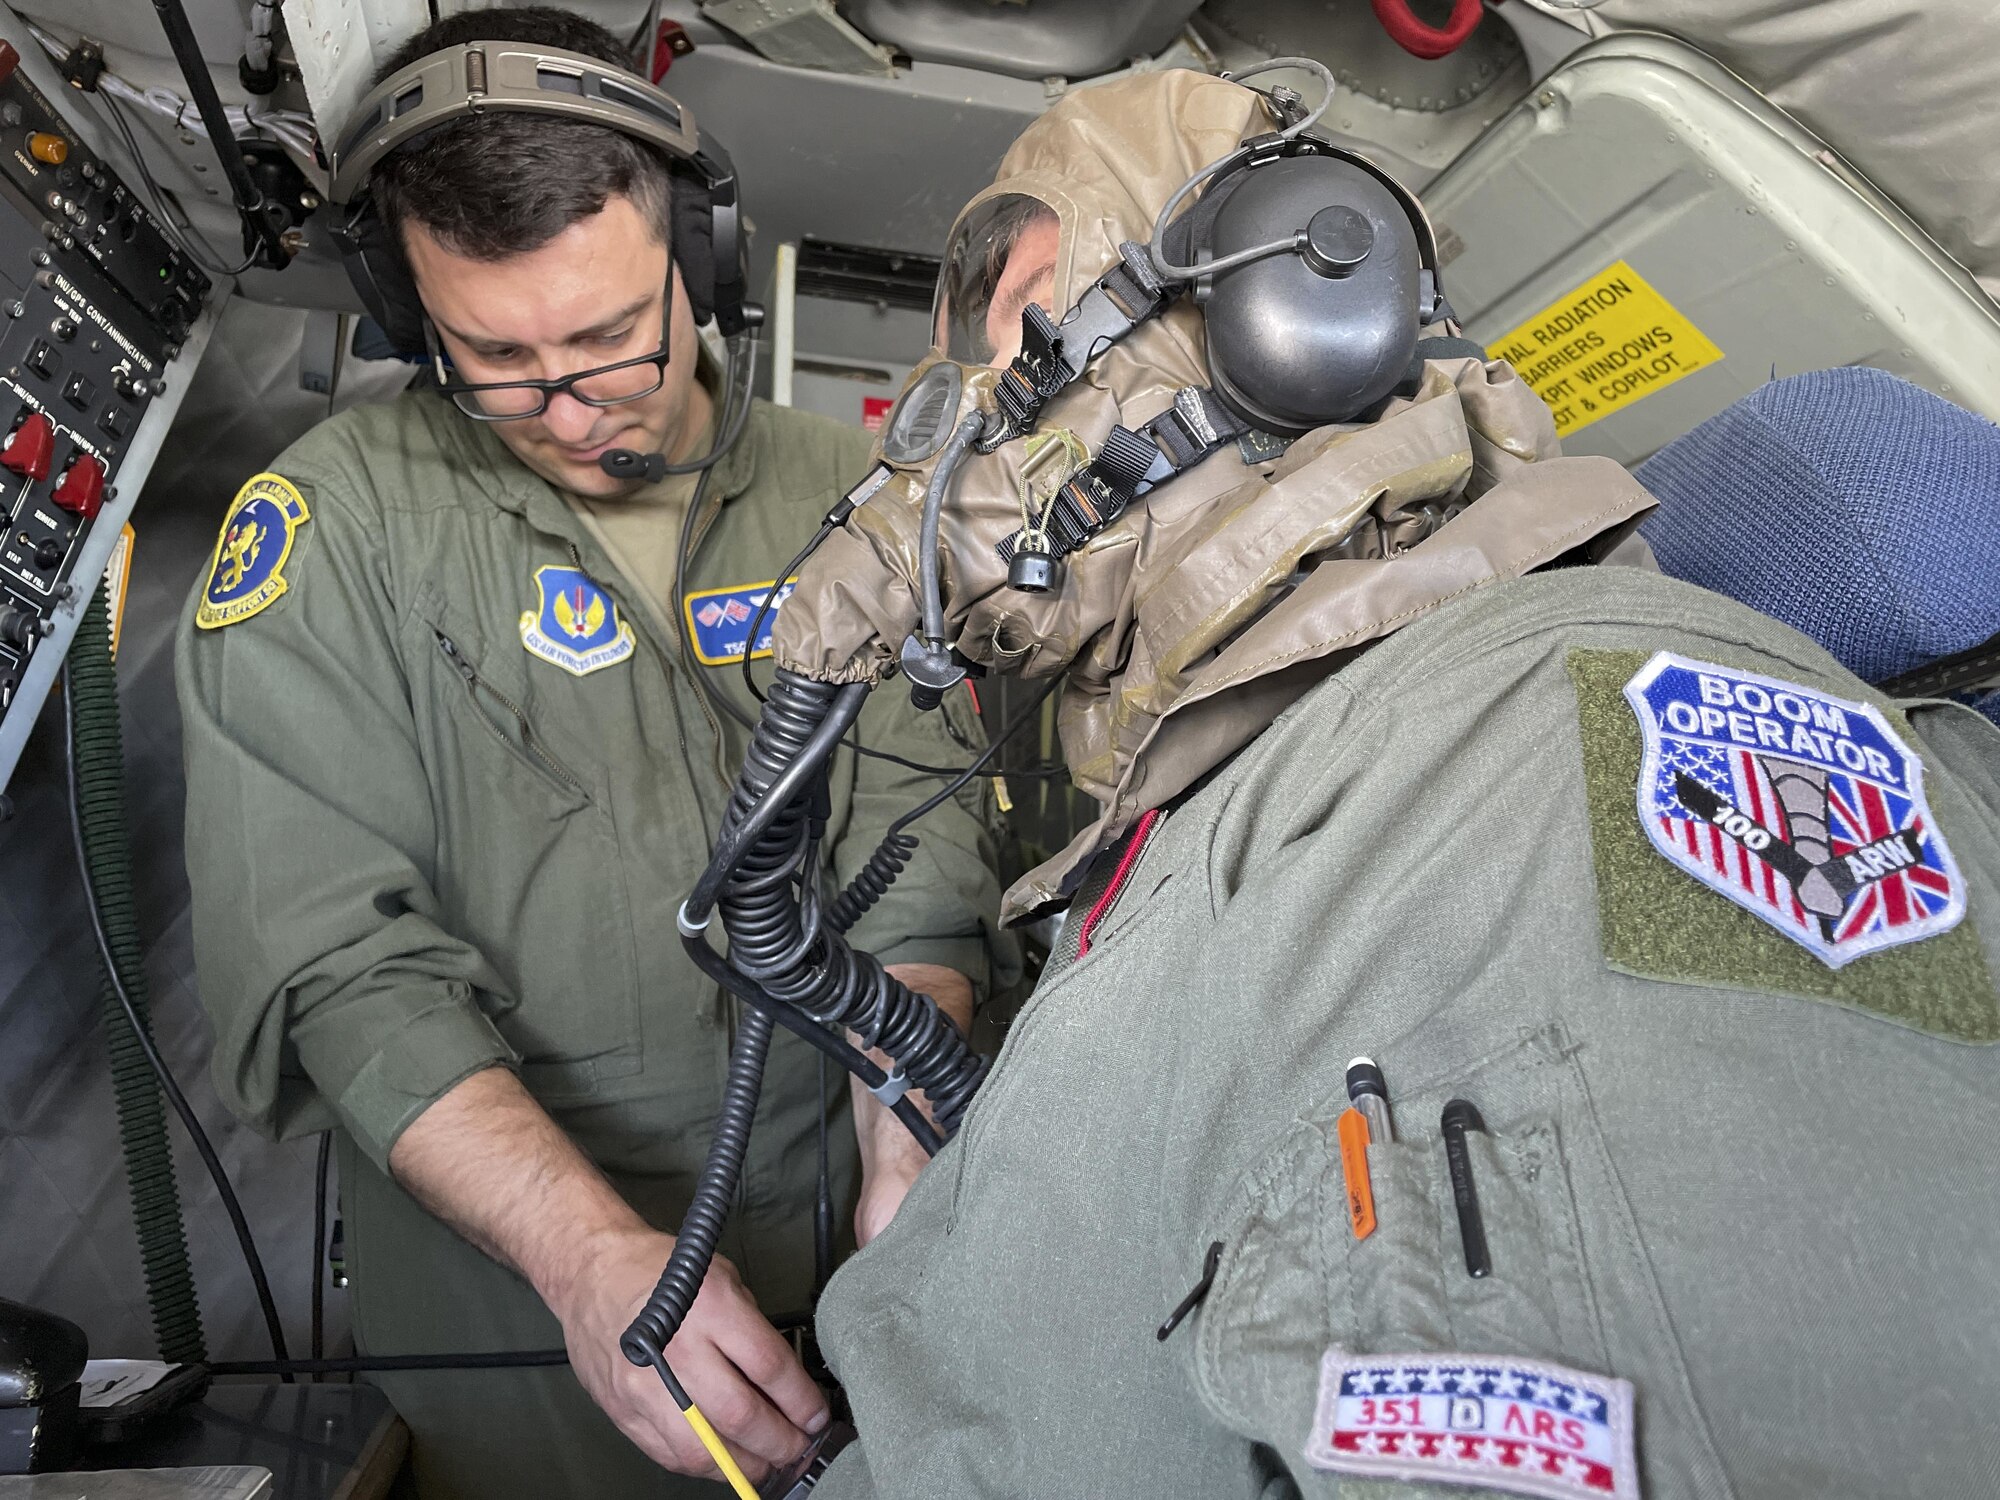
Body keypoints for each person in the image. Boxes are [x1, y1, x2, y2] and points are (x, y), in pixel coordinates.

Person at [753, 69, 2000, 1498]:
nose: (947, 457)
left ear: (1291, 319)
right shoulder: (1269, 784)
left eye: (1015, 363)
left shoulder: (1538, 771)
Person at [174, 9, 1014, 1497]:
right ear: (400, 298)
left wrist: (913, 1130)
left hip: (864, 1282)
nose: (565, 408)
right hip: (525, 1349)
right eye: (495, 357)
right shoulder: (327, 535)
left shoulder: (861, 498)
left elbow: (926, 841)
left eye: (611, 338)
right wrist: (583, 1262)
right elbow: (338, 967)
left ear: (697, 257)